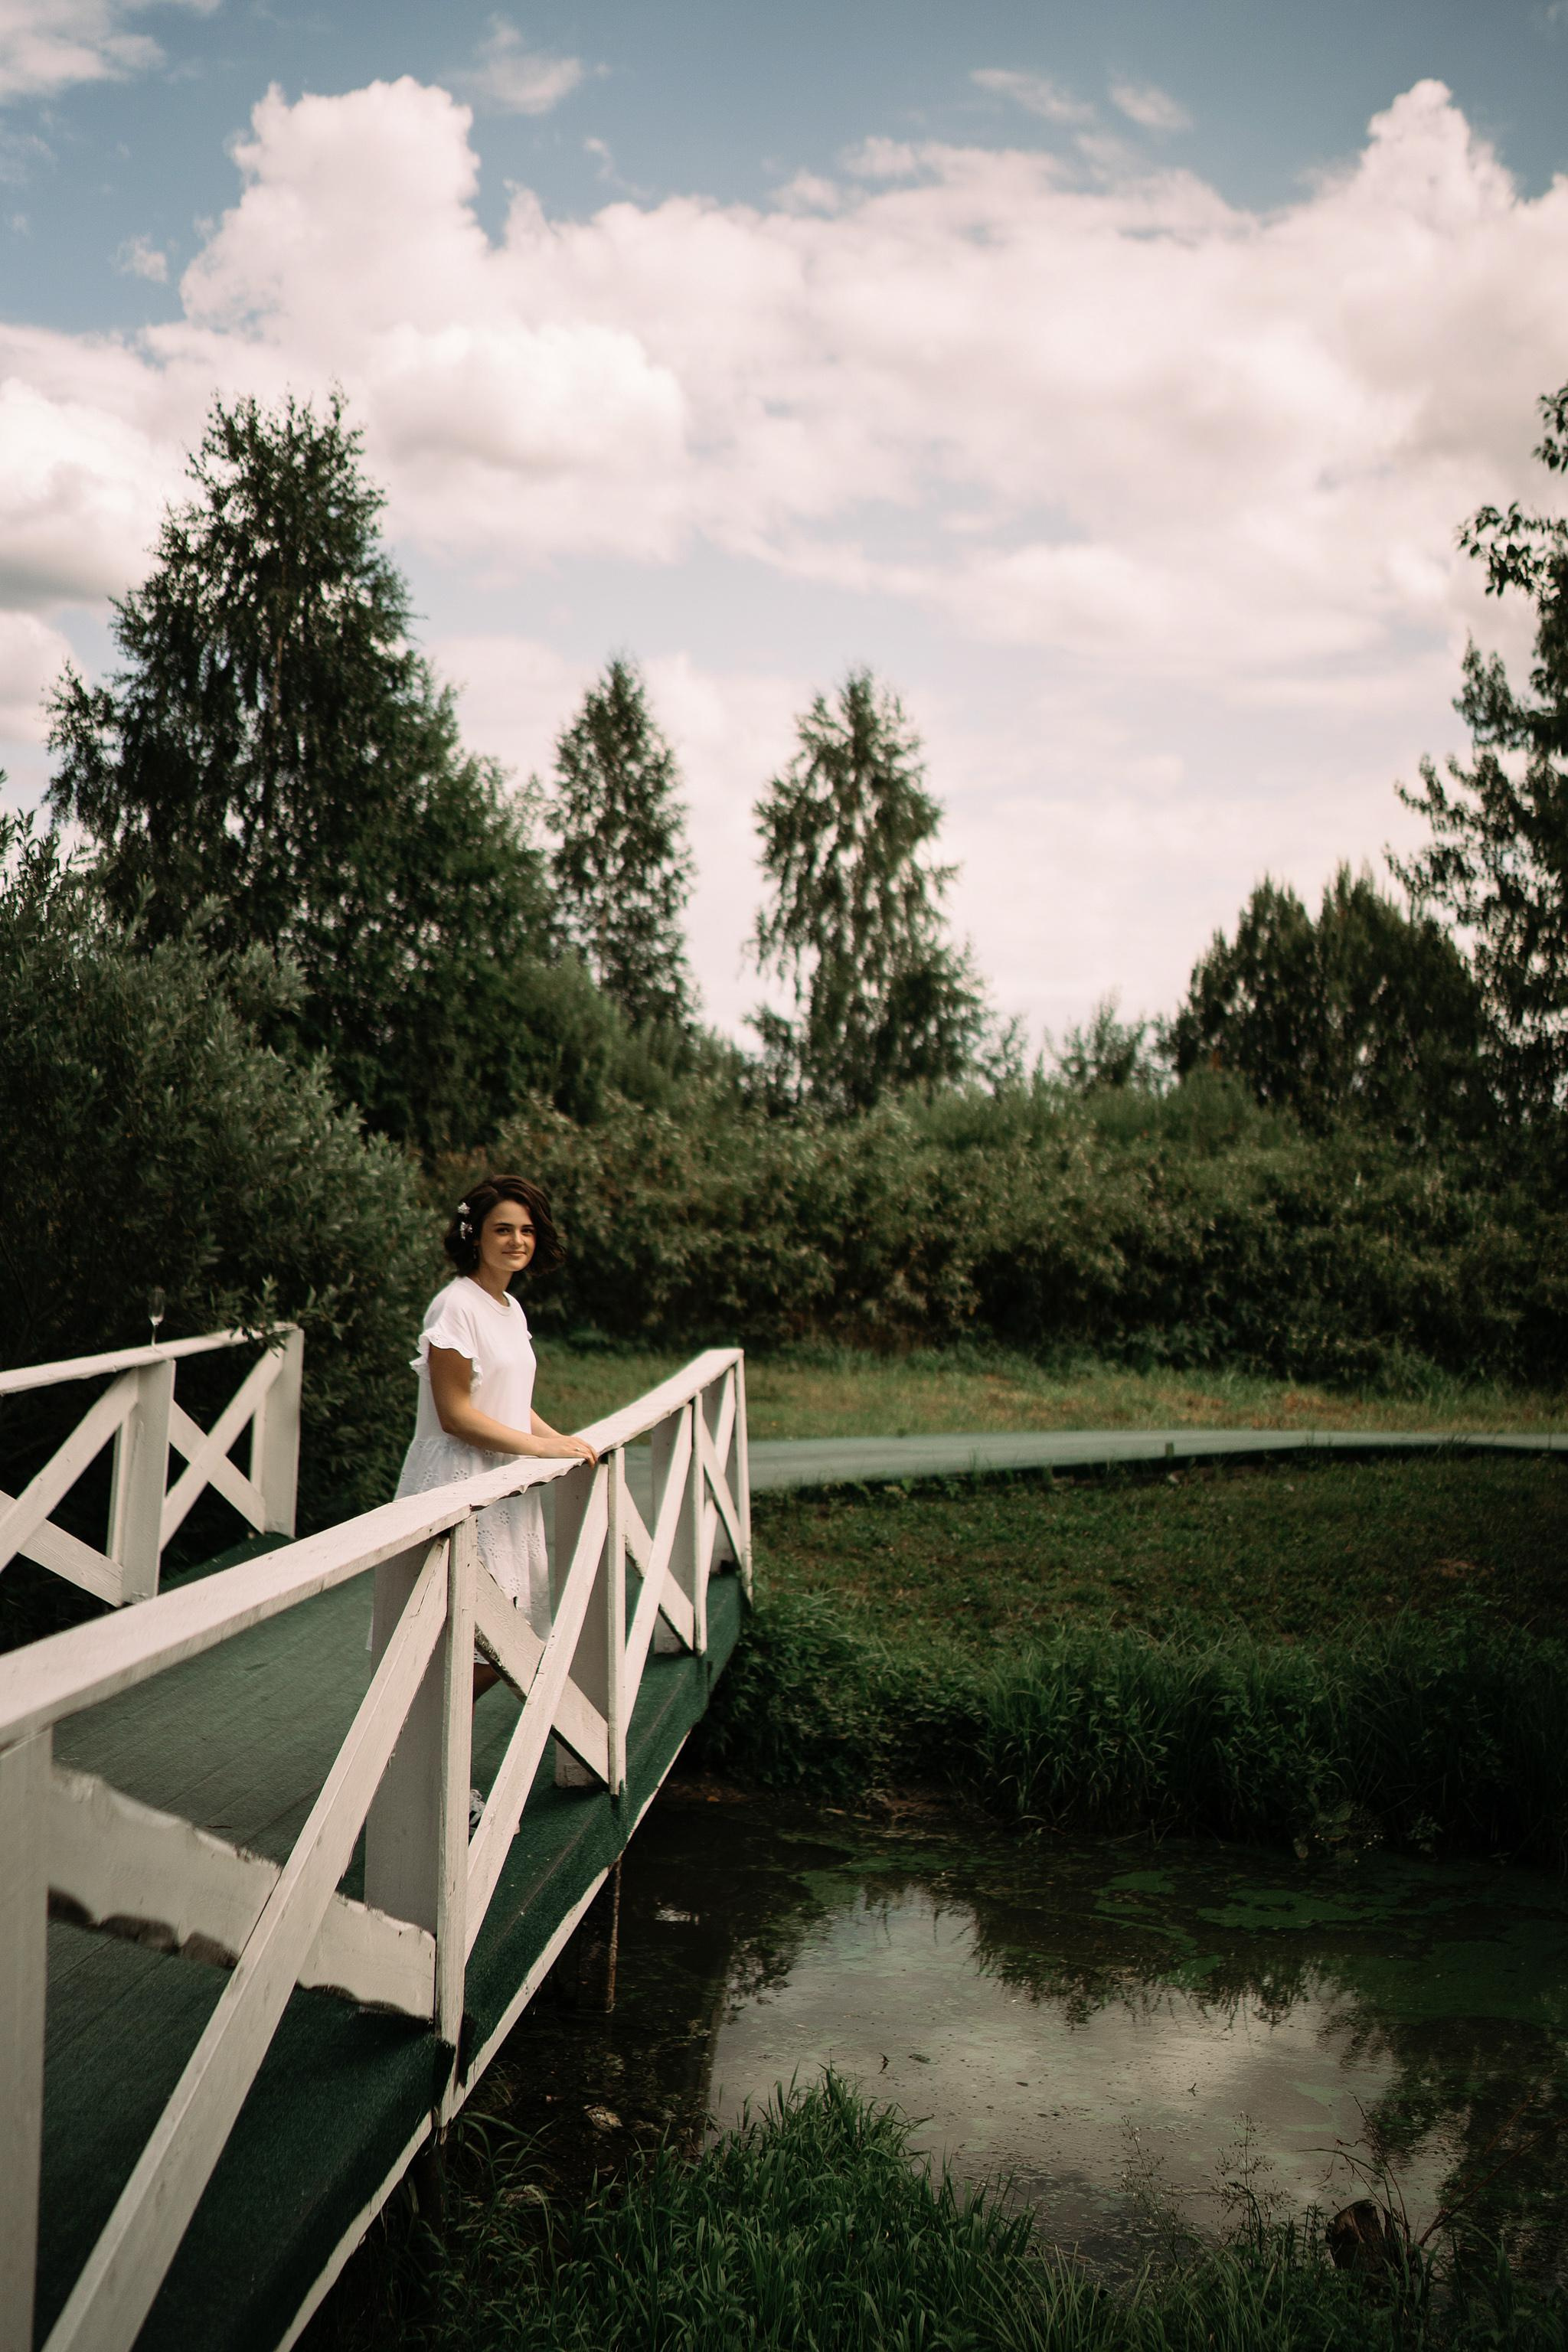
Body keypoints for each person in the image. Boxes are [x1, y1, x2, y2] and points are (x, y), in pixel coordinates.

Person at [383, 1176, 596, 1712]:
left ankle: (424, 1748)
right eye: (502, 1229)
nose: (516, 1241)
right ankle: (410, 1744)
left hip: (506, 1488)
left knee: (510, 1635)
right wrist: (540, 1450)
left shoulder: (508, 1307)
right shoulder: (455, 1307)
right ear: (474, 1235)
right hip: (458, 1480)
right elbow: (456, 1415)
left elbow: (508, 1399)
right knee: (470, 1641)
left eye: (527, 1230)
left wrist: (559, 1440)